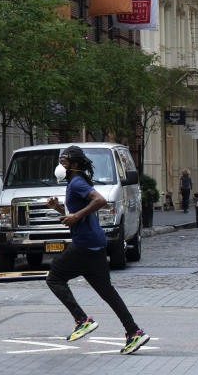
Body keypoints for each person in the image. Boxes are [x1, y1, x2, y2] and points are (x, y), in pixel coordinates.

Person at [45, 145, 150, 355]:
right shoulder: (77, 181)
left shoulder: (76, 182)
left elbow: (100, 201)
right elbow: (76, 211)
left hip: (84, 244)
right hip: (95, 243)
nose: (61, 165)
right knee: (107, 292)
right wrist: (59, 209)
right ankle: (134, 331)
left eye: (64, 161)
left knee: (54, 278)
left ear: (74, 164)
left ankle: (82, 320)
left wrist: (76, 217)